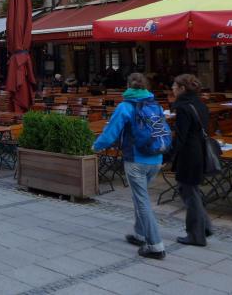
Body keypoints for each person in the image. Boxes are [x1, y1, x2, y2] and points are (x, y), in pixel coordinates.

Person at [92, 72, 166, 260]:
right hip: (156, 158)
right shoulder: (155, 105)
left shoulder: (125, 107)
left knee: (142, 200)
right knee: (140, 196)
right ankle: (140, 234)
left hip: (136, 160)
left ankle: (155, 245)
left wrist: (96, 146)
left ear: (127, 86)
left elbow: (111, 133)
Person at [171, 74, 214, 247]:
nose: (172, 89)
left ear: (182, 89)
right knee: (191, 190)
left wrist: (167, 156)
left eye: (174, 86)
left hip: (189, 155)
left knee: (189, 192)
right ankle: (205, 227)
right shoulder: (200, 104)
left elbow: (181, 137)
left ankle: (196, 235)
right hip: (199, 151)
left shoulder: (183, 108)